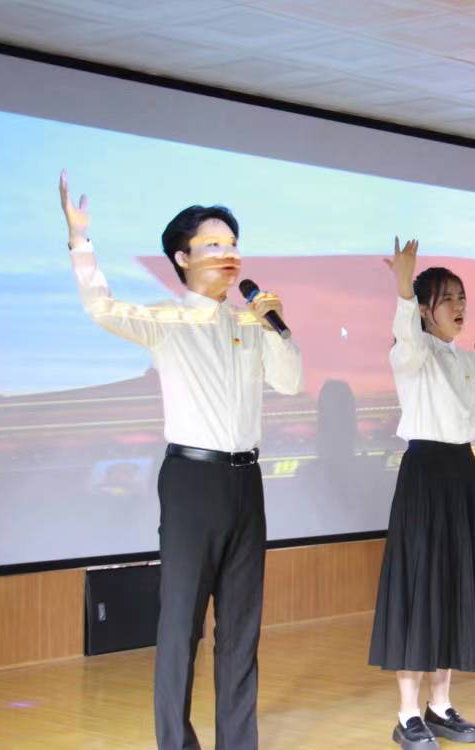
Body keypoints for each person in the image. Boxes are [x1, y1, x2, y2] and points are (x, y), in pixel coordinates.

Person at [60, 171, 303, 750]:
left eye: (232, 243)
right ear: (182, 257)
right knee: (181, 625)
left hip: (246, 480)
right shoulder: (166, 320)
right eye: (213, 244)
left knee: (241, 627)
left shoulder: (251, 322)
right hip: (192, 480)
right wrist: (80, 241)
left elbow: (291, 381)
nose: (228, 253)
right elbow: (101, 307)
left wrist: (277, 328)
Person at [369, 238, 475, 749]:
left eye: (462, 298)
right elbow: (407, 338)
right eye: (448, 298)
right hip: (425, 474)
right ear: (425, 309)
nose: (459, 306)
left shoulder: (471, 361)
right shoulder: (411, 352)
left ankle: (441, 705)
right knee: (420, 585)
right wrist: (403, 288)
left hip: (461, 475)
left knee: (453, 583)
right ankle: (407, 713)